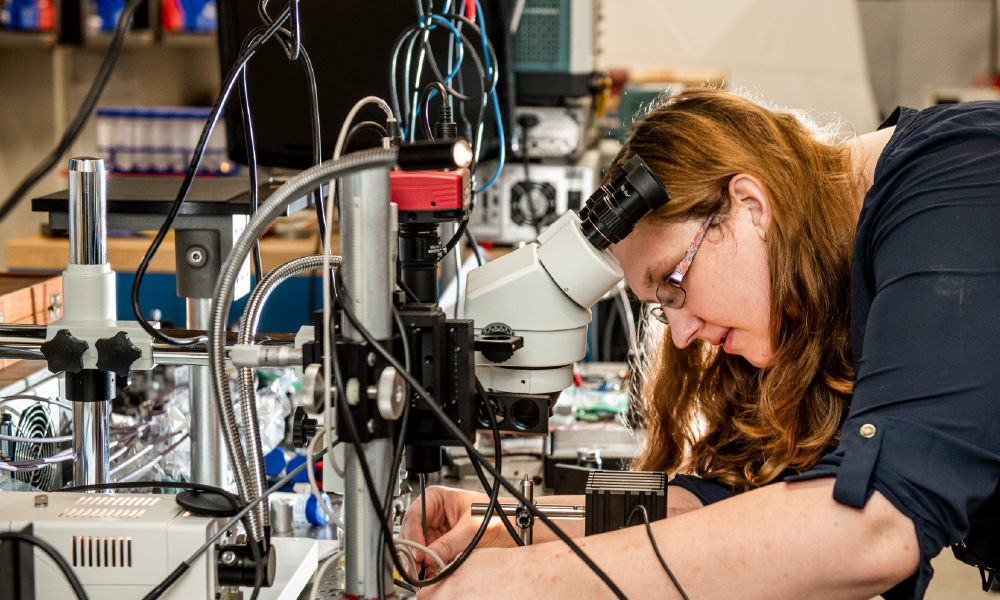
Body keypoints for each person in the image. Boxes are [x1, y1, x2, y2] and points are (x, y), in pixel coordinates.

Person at [400, 87, 1000, 599]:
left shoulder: (962, 183)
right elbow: (736, 507)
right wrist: (510, 524)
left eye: (673, 283)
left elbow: (874, 525)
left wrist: (528, 582)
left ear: (749, 206)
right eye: (661, 309)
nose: (684, 336)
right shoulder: (842, 267)